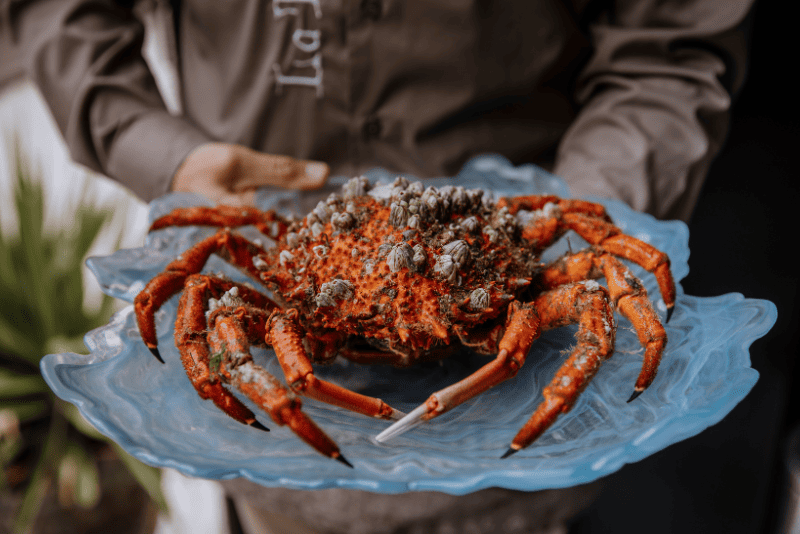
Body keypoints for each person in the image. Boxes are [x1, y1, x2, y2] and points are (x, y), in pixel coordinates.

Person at [1, 1, 755, 533]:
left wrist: (586, 200)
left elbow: (667, 44)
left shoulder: (543, 257)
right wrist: (162, 152)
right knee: (210, 300)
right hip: (275, 445)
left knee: (598, 300)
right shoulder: (262, 273)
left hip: (524, 445)